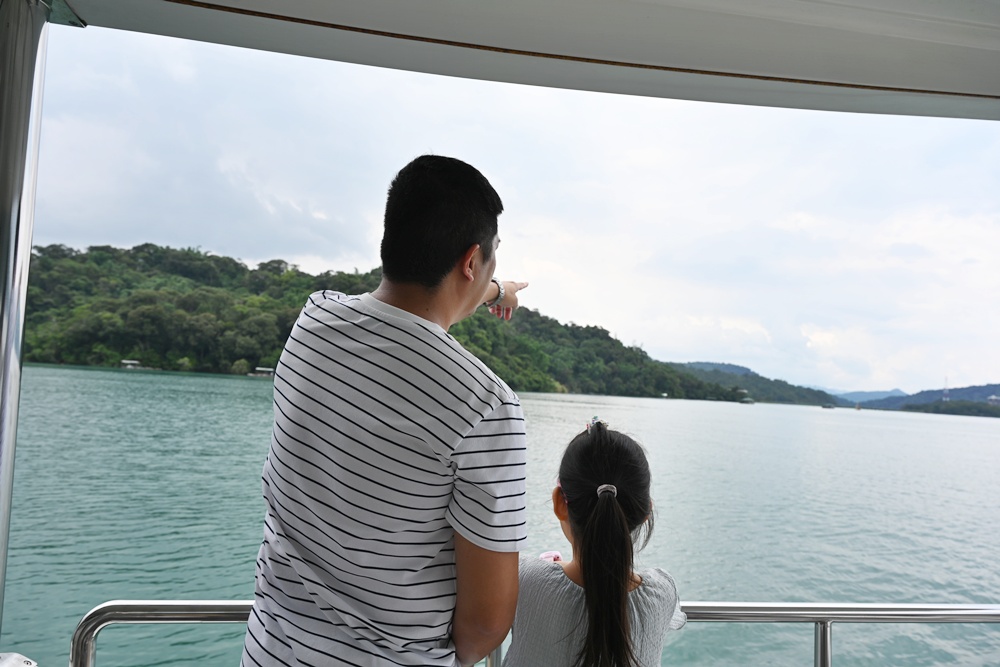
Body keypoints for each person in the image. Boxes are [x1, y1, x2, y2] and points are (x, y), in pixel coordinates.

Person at [241, 155, 529, 667]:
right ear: (471, 261)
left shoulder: (312, 323)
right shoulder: (486, 406)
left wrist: (492, 291)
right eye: (493, 256)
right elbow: (487, 622)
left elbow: (412, 319)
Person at [503, 419, 685, 667]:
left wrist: (552, 568)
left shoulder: (522, 578)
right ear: (645, 513)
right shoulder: (662, 593)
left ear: (559, 503)